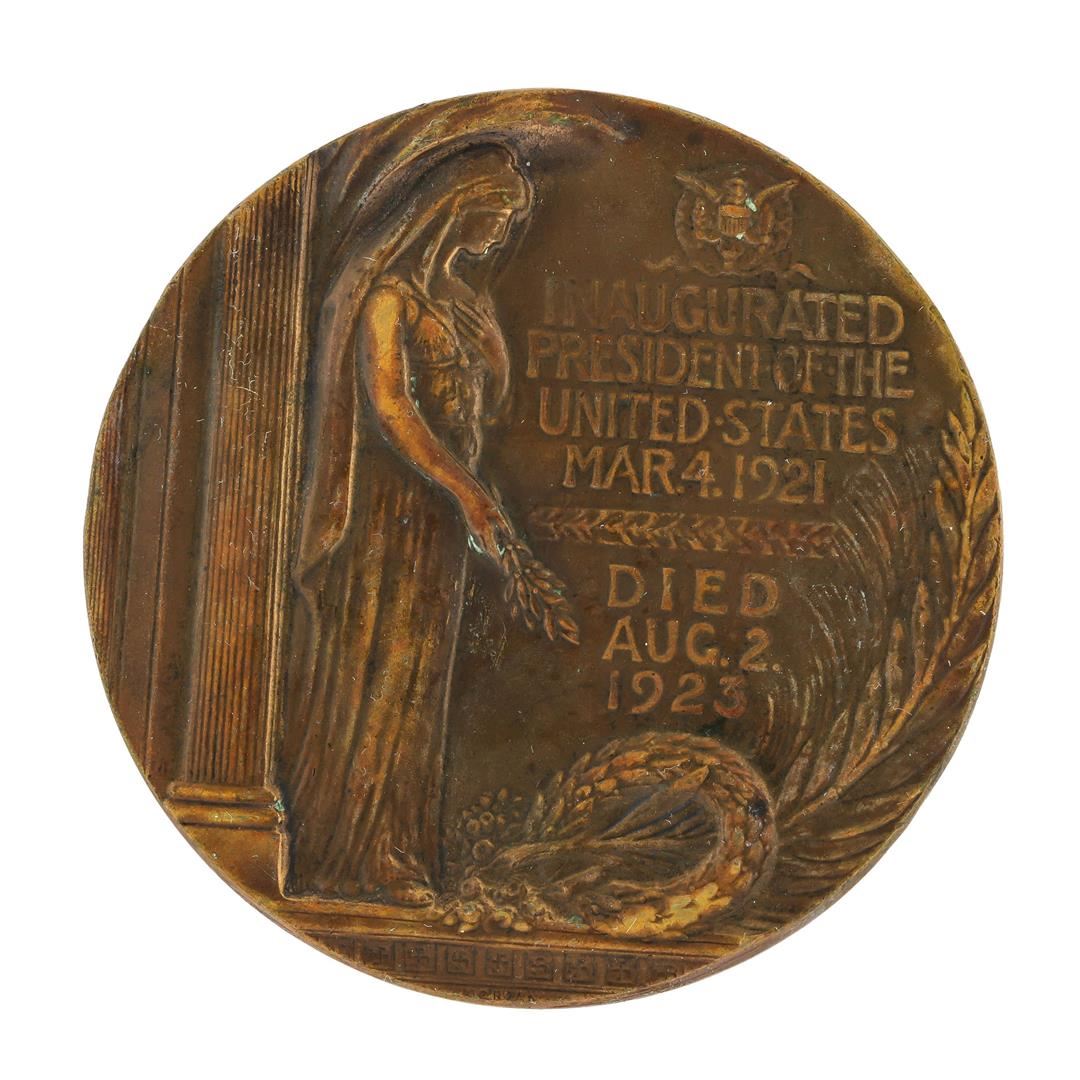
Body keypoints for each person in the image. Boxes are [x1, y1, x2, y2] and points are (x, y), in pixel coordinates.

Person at [280, 144, 533, 903]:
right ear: (455, 209)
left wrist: (462, 492)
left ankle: (397, 846)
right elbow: (391, 407)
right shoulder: (389, 296)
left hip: (436, 516)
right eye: (496, 214)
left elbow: (488, 398)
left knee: (419, 676)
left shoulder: (457, 299)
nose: (502, 232)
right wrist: (468, 491)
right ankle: (350, 851)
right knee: (379, 668)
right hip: (390, 512)